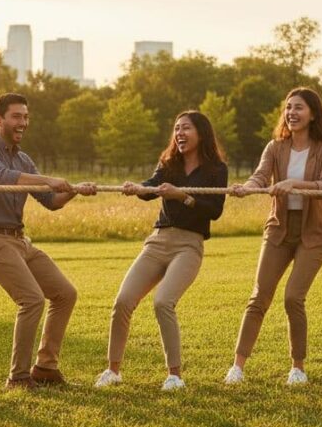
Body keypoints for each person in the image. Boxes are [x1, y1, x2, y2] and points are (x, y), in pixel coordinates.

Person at [0, 93, 96, 389]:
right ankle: (18, 377)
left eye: (25, 117)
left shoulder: (23, 159)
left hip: (19, 240)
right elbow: (0, 176)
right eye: (16, 116)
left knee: (65, 294)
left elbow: (50, 201)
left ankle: (45, 368)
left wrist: (75, 190)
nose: (23, 123)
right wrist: (49, 178)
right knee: (32, 300)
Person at [94, 111, 229, 391]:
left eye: (186, 128)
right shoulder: (169, 164)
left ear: (201, 133)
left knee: (162, 302)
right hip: (157, 241)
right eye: (177, 128)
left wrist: (183, 196)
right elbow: (150, 187)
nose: (179, 133)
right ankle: (113, 370)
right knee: (123, 301)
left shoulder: (216, 169)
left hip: (189, 245)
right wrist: (137, 188)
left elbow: (214, 211)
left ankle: (174, 376)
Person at [223, 87, 322, 386]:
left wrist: (293, 183)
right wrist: (247, 187)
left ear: (313, 113)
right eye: (288, 108)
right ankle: (237, 366)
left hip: (313, 231)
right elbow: (261, 176)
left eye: (299, 107)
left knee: (292, 298)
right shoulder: (275, 147)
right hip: (279, 228)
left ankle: (297, 368)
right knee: (258, 297)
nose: (292, 113)